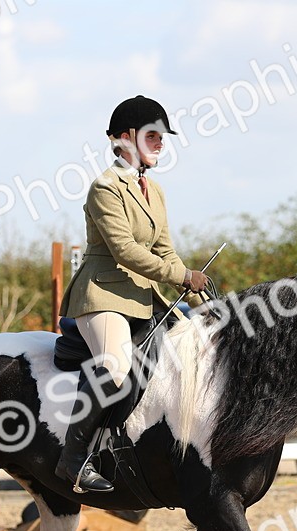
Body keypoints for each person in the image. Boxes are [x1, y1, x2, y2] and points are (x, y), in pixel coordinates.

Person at [55, 95, 208, 493]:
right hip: (103, 296)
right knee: (115, 367)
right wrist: (180, 273)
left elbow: (164, 249)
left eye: (162, 137)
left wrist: (197, 296)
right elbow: (125, 250)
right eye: (153, 135)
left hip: (145, 298)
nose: (160, 144)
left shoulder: (153, 190)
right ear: (126, 138)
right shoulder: (105, 188)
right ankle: (72, 461)